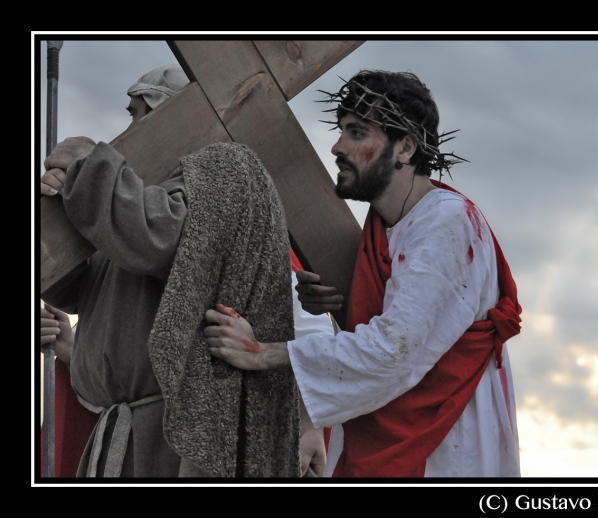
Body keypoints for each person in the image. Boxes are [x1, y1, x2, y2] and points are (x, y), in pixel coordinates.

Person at [203, 70, 523, 478]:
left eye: (357, 133)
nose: (338, 146)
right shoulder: (386, 225)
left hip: (446, 440)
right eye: (341, 132)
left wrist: (264, 353)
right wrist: (340, 305)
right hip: (395, 431)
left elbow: (396, 348)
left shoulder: (447, 224)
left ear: (405, 147)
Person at [40, 63, 328, 477]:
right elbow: (81, 288)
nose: (127, 132)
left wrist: (91, 165)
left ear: (172, 114)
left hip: (180, 438)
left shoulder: (224, 170)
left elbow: (158, 239)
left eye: (137, 112)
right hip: (122, 433)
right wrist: (57, 213)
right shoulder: (131, 202)